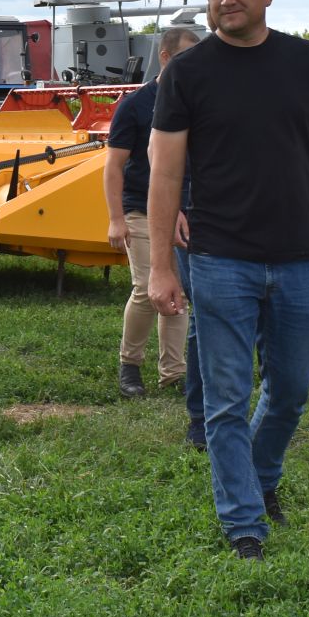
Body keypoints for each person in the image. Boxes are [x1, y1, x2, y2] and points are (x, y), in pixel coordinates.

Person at [146, 0, 309, 562]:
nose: (227, 0)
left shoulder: (303, 63)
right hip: (221, 260)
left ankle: (262, 477)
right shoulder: (187, 74)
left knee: (293, 387)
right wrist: (163, 264)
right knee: (225, 398)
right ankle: (244, 522)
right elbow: (164, 174)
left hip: (301, 256)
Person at [104, 27, 200, 397]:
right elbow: (114, 166)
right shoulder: (136, 105)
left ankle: (173, 373)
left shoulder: (198, 103)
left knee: (178, 292)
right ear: (165, 58)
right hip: (141, 210)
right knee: (147, 288)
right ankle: (130, 365)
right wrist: (116, 217)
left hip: (187, 210)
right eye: (185, 60)